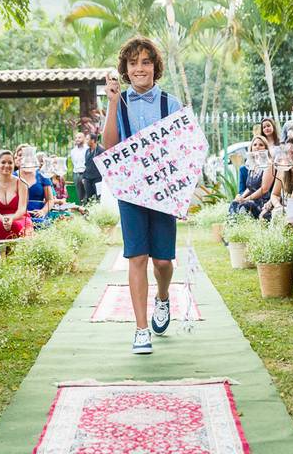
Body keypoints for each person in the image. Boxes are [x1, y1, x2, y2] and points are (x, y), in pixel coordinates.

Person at [102, 35, 182, 355]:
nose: (139, 68)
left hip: (162, 190)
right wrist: (111, 103)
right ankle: (140, 329)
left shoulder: (170, 103)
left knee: (162, 261)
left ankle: (163, 297)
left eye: (146, 62)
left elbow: (181, 149)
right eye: (133, 62)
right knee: (137, 257)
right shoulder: (119, 103)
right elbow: (110, 145)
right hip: (130, 190)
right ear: (125, 68)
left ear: (154, 67)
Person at [0, 150, 33, 240]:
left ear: (14, 164)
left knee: (16, 226)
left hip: (19, 217)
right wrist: (3, 219)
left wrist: (12, 218)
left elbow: (22, 209)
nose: (7, 165)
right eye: (3, 162)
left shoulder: (22, 183)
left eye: (10, 163)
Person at [229, 135, 274, 218]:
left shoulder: (269, 164)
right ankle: (231, 224)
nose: (257, 147)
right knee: (234, 203)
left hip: (263, 203)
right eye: (255, 145)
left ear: (266, 149)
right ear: (251, 148)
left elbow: (264, 189)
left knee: (245, 205)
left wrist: (247, 199)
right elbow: (250, 188)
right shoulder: (252, 164)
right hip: (252, 199)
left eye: (261, 145)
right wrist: (241, 197)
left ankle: (239, 224)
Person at [18, 154, 54, 228]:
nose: (23, 157)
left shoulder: (42, 175)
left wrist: (43, 211)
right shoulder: (13, 176)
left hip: (38, 215)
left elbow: (50, 200)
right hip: (18, 215)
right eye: (20, 155)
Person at [82, 133, 105, 202]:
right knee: (89, 198)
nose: (85, 141)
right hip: (88, 178)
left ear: (92, 140)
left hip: (98, 178)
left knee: (99, 197)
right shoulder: (87, 151)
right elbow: (86, 165)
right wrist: (84, 177)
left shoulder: (101, 151)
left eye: (87, 139)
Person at [70, 132, 88, 204]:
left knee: (87, 193)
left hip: (85, 173)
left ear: (84, 139)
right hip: (76, 174)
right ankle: (80, 207)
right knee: (79, 194)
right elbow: (74, 162)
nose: (77, 139)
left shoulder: (87, 149)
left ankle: (87, 207)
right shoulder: (73, 151)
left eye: (79, 137)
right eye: (76, 138)